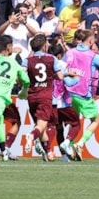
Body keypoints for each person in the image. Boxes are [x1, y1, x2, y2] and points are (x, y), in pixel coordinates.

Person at [61, 29, 99, 160]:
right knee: (96, 120)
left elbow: (60, 69)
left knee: (74, 123)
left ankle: (67, 151)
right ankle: (79, 144)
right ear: (91, 41)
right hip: (83, 94)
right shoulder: (93, 56)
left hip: (68, 94)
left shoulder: (69, 53)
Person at [22, 34, 65, 162]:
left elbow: (21, 73)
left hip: (32, 96)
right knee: (41, 126)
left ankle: (48, 152)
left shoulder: (27, 60)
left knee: (39, 126)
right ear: (44, 45)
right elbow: (60, 76)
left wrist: (24, 85)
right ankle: (30, 136)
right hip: (45, 96)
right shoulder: (52, 59)